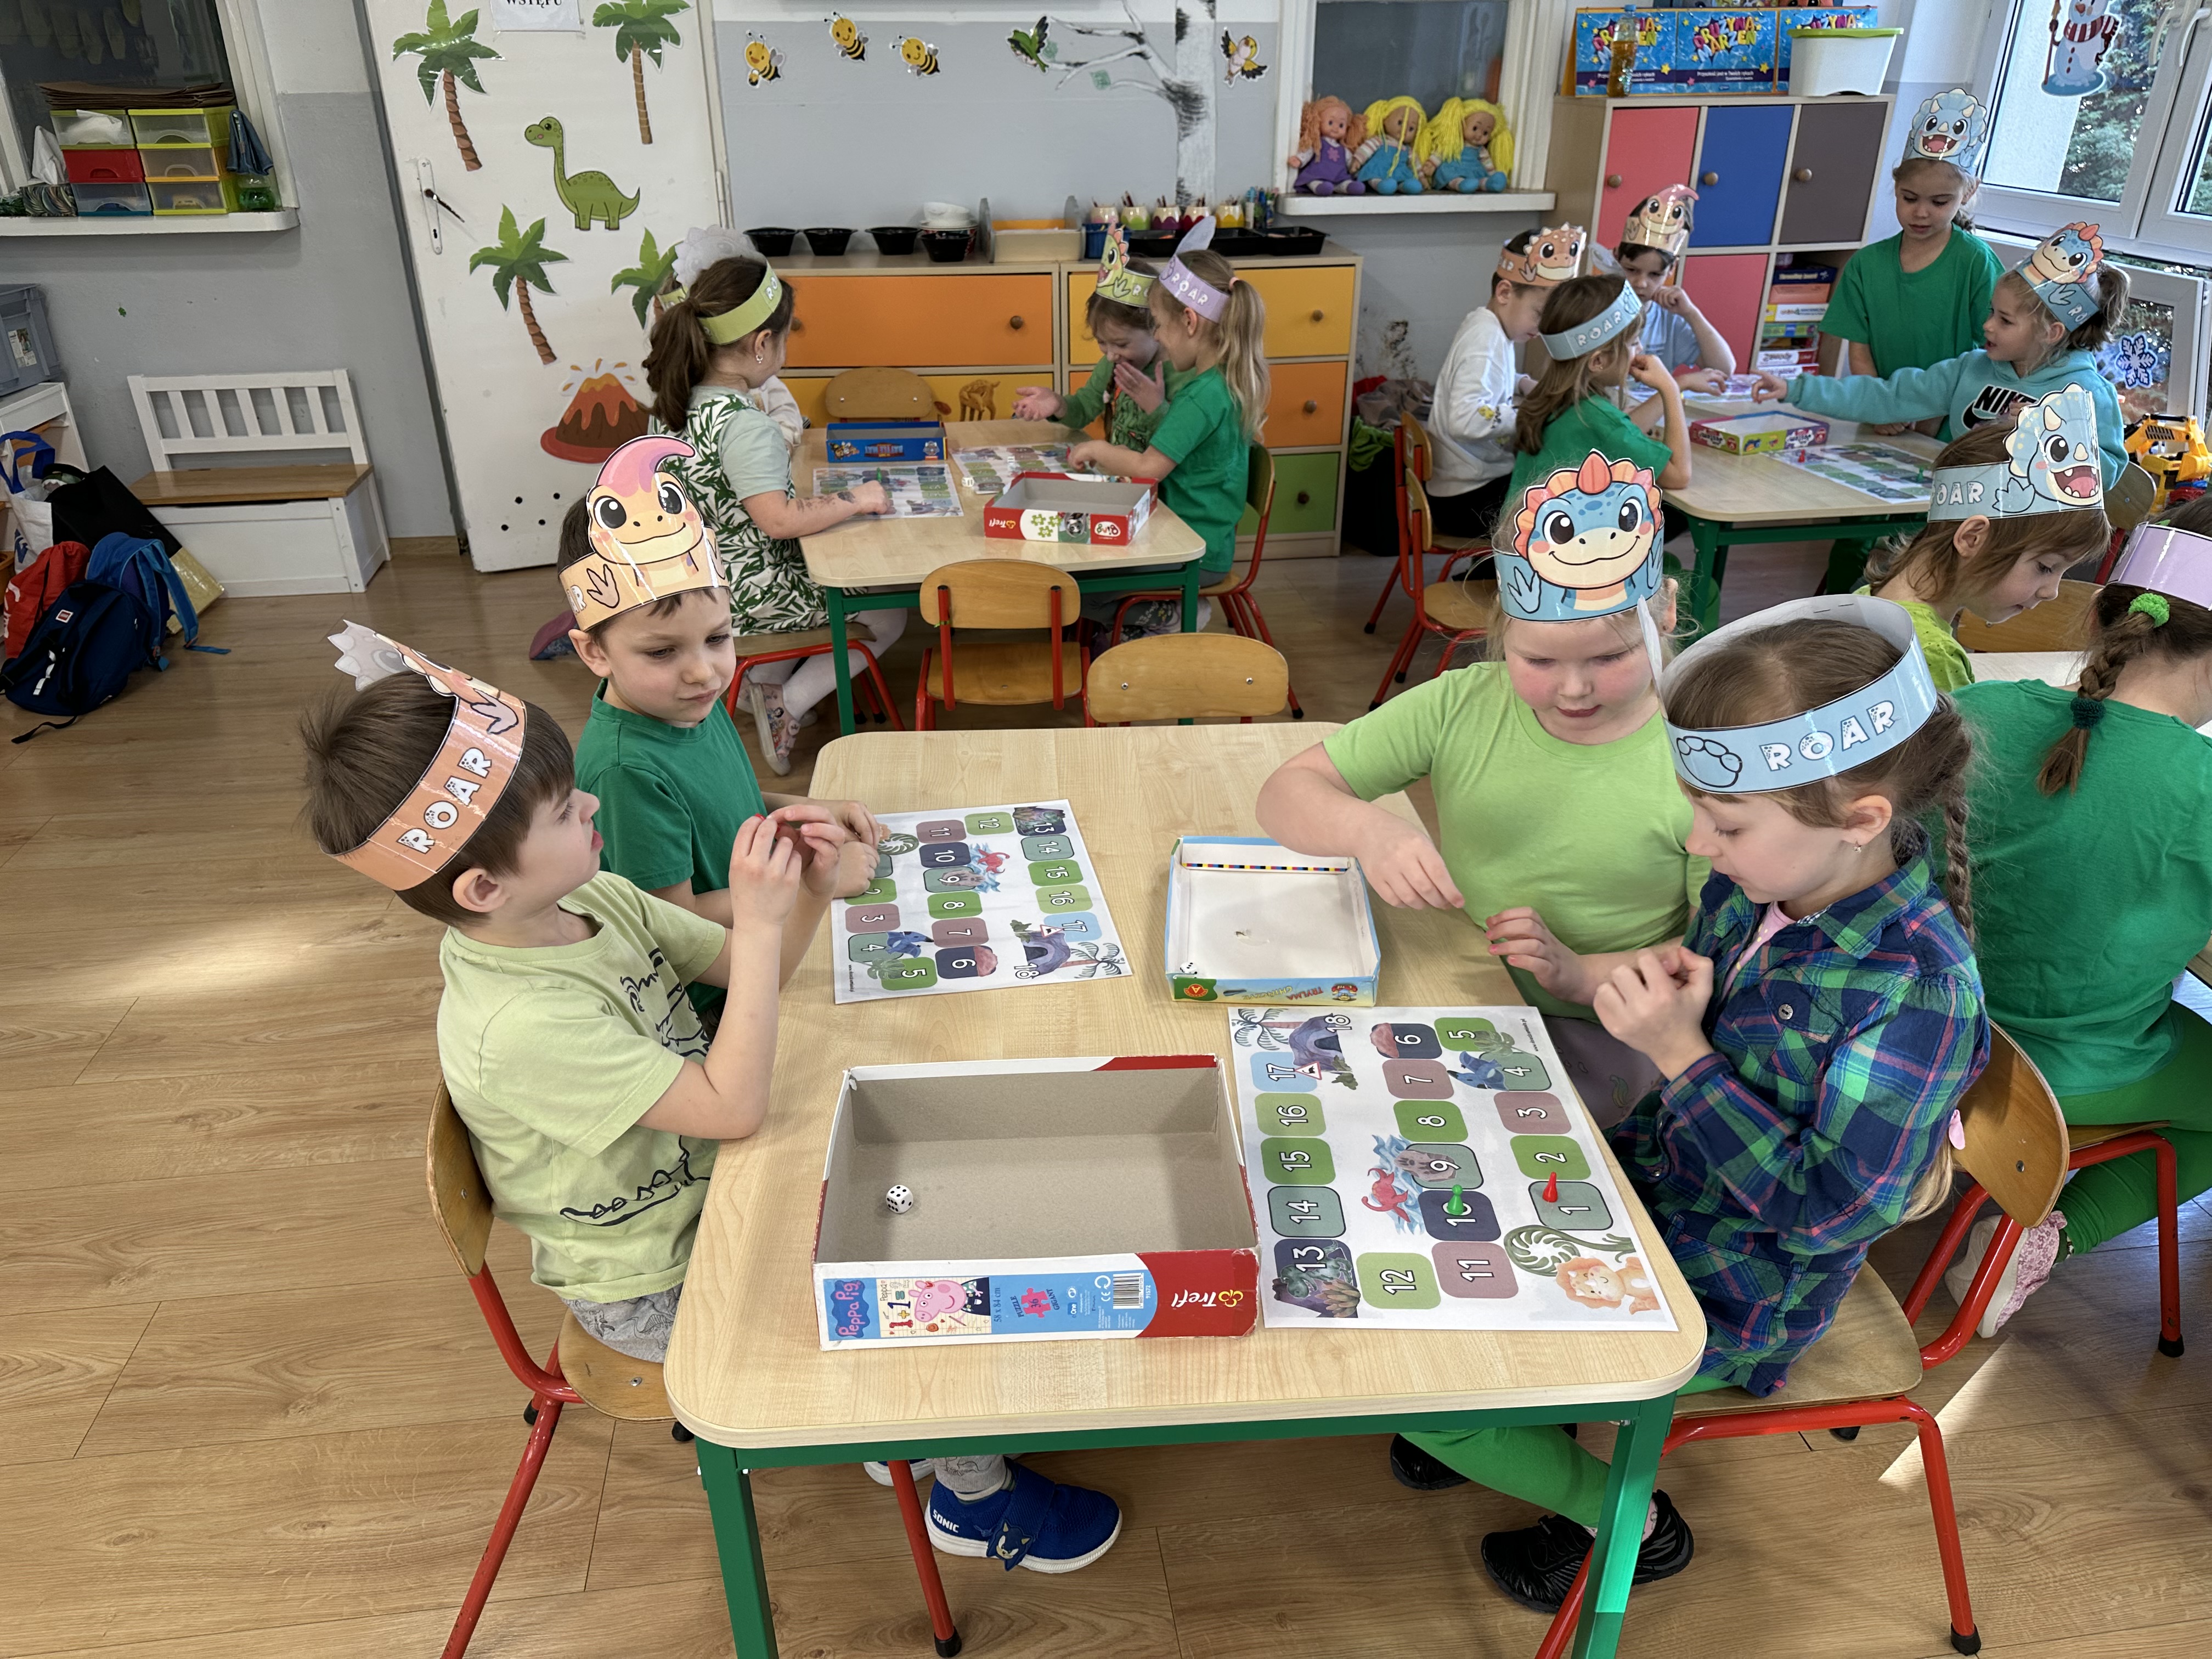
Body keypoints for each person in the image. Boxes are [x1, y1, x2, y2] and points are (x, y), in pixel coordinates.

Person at [300, 628, 1124, 1571]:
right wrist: (766, 918)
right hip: (654, 1278)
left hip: (717, 1182)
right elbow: (734, 1104)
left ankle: (905, 1433)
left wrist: (804, 893)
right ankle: (974, 1500)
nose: (593, 804)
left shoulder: (592, 899)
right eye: (565, 811)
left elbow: (745, 967)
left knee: (924, 1190)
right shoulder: (519, 1023)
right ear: (486, 885)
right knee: (916, 1278)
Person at [1391, 595, 1988, 1612]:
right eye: (1699, 813)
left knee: (1430, 1391)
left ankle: (1627, 1520)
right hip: (1651, 1190)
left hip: (1739, 1287)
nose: (1701, 845)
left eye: (1728, 823)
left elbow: (1830, 1210)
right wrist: (1609, 983)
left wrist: (1682, 1052)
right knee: (1429, 1228)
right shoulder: (1765, 889)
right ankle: (1521, 1425)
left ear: (1861, 821)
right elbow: (1695, 992)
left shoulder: (1915, 989)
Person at [1257, 437, 1700, 1114]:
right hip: (1462, 985)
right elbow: (1284, 793)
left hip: (1610, 1028)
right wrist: (1367, 831)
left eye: (1610, 659)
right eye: (1539, 662)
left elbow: (1714, 948)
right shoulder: (1463, 704)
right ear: (1502, 632)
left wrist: (1580, 976)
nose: (1574, 690)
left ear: (1664, 613)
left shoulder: (1703, 759)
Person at [1943, 500, 2212, 1333]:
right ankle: (2041, 1240)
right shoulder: (2199, 786)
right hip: (2064, 1072)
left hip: (1935, 1035)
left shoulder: (1976, 712)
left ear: (2101, 617)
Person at [560, 437, 882, 1024]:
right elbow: (668, 923)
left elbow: (724, 801)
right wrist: (814, 884)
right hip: (718, 1001)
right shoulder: (625, 770)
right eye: (662, 652)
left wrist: (809, 809)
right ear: (594, 652)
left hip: (765, 939)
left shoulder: (688, 706)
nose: (703, 672)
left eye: (717, 638)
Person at [641, 254, 905, 774]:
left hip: (700, 579)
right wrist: (856, 499)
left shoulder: (674, 406)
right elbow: (778, 521)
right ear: (763, 343)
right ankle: (788, 703)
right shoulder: (744, 425)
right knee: (890, 611)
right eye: (785, 340)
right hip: (750, 593)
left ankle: (762, 687)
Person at [1774, 223, 2129, 487]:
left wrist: (2048, 437)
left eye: (2005, 320)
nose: (1987, 326)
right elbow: (1888, 397)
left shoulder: (2086, 394)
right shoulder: (1970, 368)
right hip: (1950, 510)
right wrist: (1795, 389)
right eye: (1991, 312)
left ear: (2051, 333)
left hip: (2021, 536)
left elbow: (2108, 472)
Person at [1069, 217, 1270, 631]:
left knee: (1076, 589)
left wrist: (1096, 449)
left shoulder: (1200, 396)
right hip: (1194, 537)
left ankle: (1174, 615)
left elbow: (1148, 469)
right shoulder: (1221, 384)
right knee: (1083, 568)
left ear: (1190, 322)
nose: (1158, 338)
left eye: (1159, 326)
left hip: (1191, 549)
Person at [1857, 396, 2112, 692]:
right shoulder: (1930, 655)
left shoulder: (1870, 597)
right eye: (2046, 567)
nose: (2051, 592)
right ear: (1972, 538)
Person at [1821, 91, 2006, 400]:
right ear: (1897, 189)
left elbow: (1994, 349)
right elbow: (1859, 353)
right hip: (1884, 412)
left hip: (1952, 411)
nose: (1921, 213)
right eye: (1909, 199)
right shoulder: (1865, 266)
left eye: (1939, 202)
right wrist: (1883, 407)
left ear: (1968, 193)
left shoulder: (1976, 262)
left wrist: (1940, 408)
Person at [1423, 224, 1583, 540]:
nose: (1544, 329)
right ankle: (1501, 571)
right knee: (1562, 508)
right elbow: (1464, 420)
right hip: (1465, 500)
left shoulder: (1487, 326)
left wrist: (1522, 383)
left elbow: (1488, 376)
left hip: (1463, 489)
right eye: (1540, 314)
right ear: (1505, 292)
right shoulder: (1485, 341)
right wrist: (1531, 413)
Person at [1509, 273, 1690, 501]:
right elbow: (1679, 476)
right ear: (1598, 361)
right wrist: (1670, 388)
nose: (1640, 349)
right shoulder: (1598, 419)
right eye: (1634, 343)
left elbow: (1620, 431)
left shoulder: (1551, 401)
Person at [1013, 225, 1179, 454]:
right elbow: (1084, 408)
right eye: (1102, 342)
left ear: (1157, 327)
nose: (1110, 356)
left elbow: (1188, 445)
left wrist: (1156, 408)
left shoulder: (1184, 374)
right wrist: (1059, 404)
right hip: (1121, 472)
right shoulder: (1113, 365)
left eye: (1121, 344)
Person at [1613, 185, 1734, 387]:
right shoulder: (1595, 307)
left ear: (1671, 269)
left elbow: (1724, 369)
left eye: (1655, 275)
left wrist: (1691, 314)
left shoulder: (1670, 318)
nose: (1641, 283)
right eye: (1631, 270)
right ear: (1616, 257)